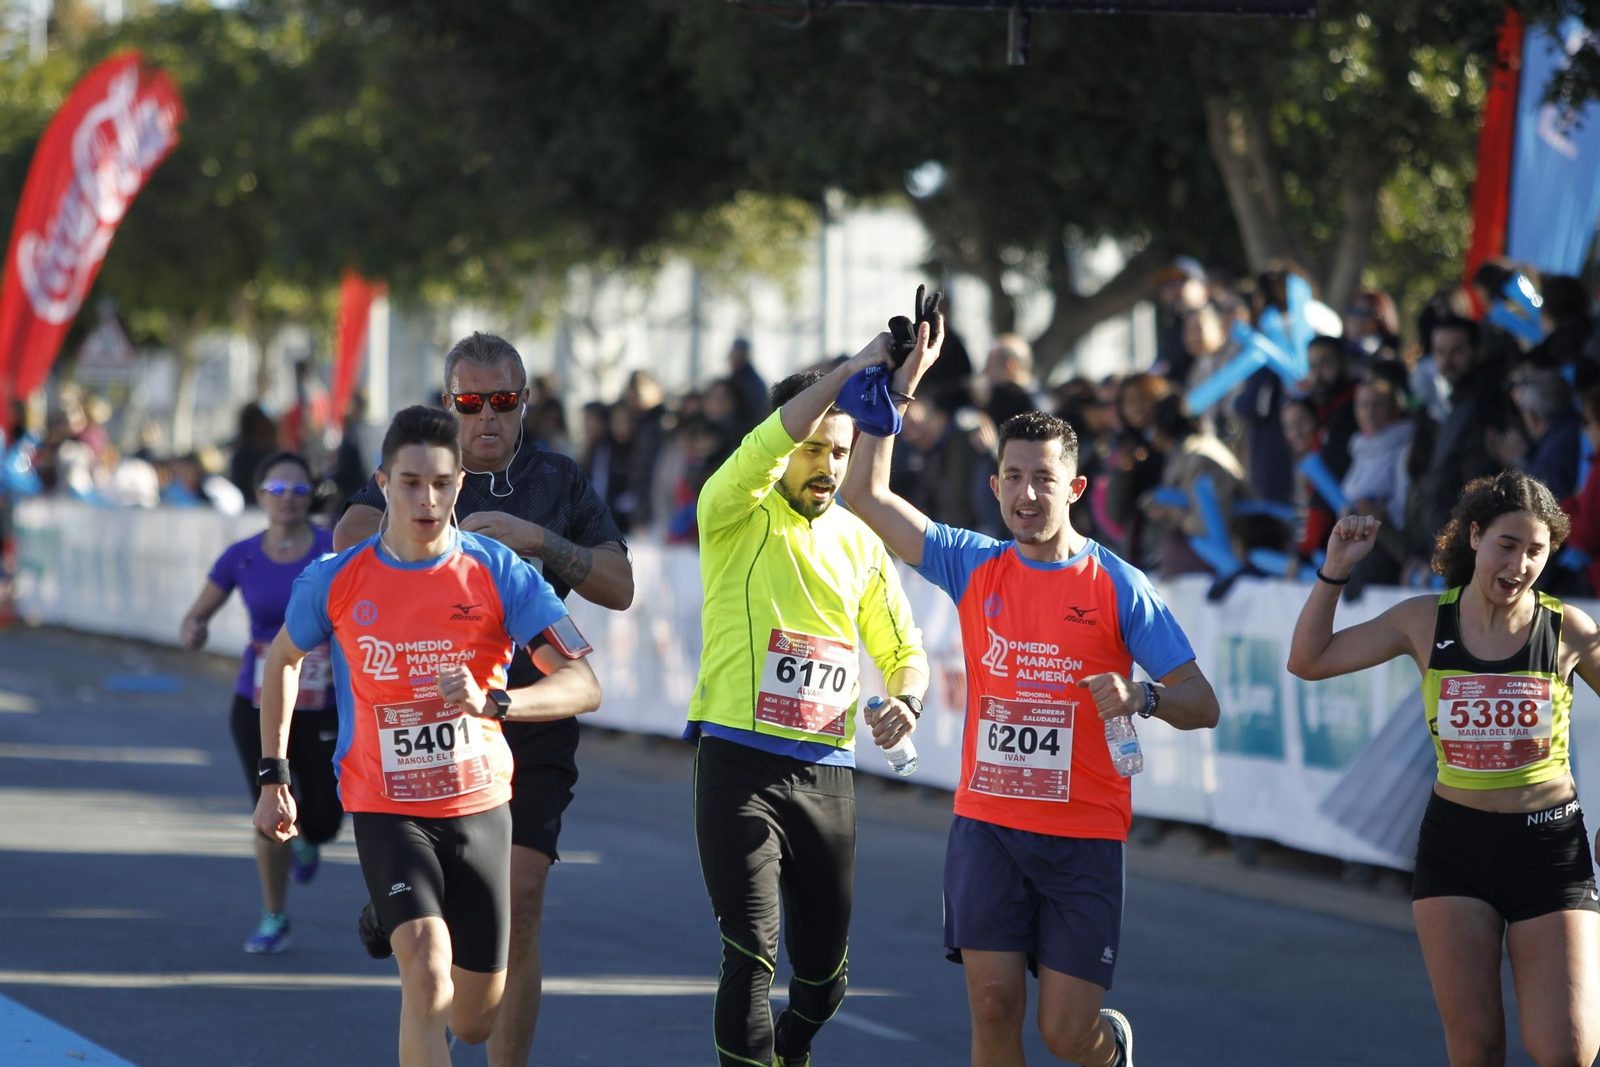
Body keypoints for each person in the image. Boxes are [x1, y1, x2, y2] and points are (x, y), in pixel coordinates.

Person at [841, 302, 1219, 1067]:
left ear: (1074, 487)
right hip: (988, 824)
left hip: (1084, 836)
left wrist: (1141, 695)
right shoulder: (976, 563)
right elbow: (864, 496)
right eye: (1012, 478)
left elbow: (1201, 700)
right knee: (991, 1007)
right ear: (995, 482)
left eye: (1043, 480)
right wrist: (899, 388)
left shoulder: (1118, 585)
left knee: (1063, 1033)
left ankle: (1109, 1046)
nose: (1025, 495)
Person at [256, 406, 602, 1067]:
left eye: (441, 483)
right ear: (383, 482)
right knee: (427, 975)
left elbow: (583, 684)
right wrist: (275, 775)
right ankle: (404, 922)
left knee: (472, 1020)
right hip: (386, 807)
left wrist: (497, 699)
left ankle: (389, 919)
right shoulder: (337, 578)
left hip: (478, 808)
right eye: (411, 482)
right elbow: (283, 661)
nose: (427, 498)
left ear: (460, 484)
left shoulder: (499, 572)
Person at [334, 332, 633, 1067]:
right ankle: (417, 906)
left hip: (526, 711)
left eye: (505, 401)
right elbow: (344, 537)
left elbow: (619, 584)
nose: (488, 418)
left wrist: (538, 540)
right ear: (449, 404)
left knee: (522, 904)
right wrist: (440, 539)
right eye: (471, 403)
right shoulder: (425, 470)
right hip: (427, 718)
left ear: (526, 402)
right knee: (433, 946)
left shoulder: (557, 478)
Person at [1287, 471, 1600, 1067]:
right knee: (1475, 1049)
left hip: (1550, 849)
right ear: (1476, 536)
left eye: (1536, 551)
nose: (1520, 565)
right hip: (1455, 846)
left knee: (1567, 1050)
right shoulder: (1425, 620)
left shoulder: (1569, 630)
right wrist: (1336, 568)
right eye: (1507, 545)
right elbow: (1309, 660)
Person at [687, 340, 930, 1067]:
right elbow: (766, 445)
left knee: (824, 983)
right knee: (751, 957)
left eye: (840, 452)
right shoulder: (732, 512)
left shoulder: (859, 542)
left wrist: (907, 703)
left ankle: (791, 1049)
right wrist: (851, 371)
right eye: (814, 449)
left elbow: (904, 652)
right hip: (737, 764)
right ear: (786, 445)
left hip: (827, 774)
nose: (827, 467)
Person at [179, 451, 340, 954]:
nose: (286, 500)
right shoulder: (243, 555)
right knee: (270, 808)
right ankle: (274, 915)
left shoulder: (334, 548)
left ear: (311, 494)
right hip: (258, 702)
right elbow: (197, 613)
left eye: (297, 490)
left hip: (326, 702)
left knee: (325, 818)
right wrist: (194, 628)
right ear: (259, 495)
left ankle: (313, 836)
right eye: (276, 490)